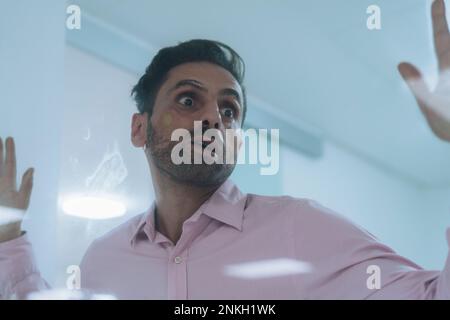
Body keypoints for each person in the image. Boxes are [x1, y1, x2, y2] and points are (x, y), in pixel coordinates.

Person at [1, 0, 450, 300]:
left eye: (230, 110)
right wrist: (9, 237)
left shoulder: (301, 228)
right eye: (188, 100)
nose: (215, 118)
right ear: (140, 129)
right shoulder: (102, 260)